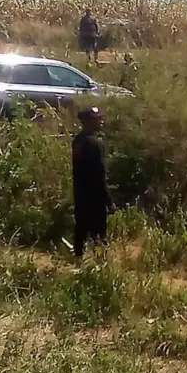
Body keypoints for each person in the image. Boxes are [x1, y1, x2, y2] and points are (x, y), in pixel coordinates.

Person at [71, 106, 115, 262]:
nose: (100, 122)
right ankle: (100, 263)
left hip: (80, 193)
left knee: (81, 228)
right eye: (97, 119)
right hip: (94, 196)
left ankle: (78, 261)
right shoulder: (95, 144)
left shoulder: (78, 141)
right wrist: (108, 200)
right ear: (88, 122)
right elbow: (99, 174)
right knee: (99, 231)